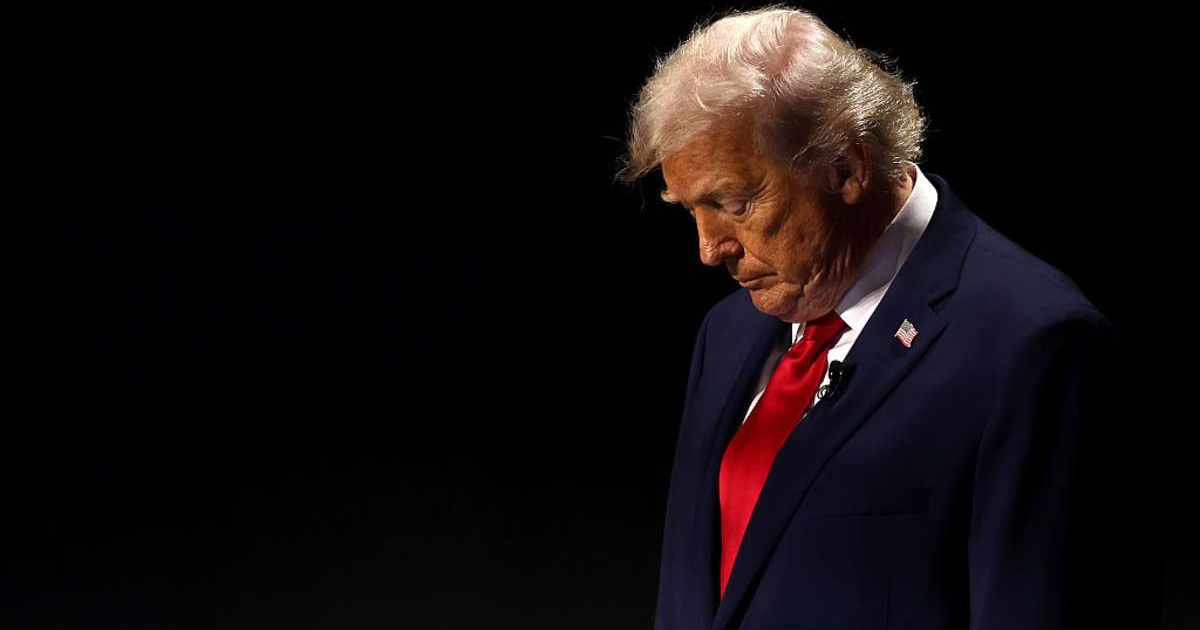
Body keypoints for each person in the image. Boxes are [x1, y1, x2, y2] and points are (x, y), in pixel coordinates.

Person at [615, 6, 1163, 630]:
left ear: (846, 168)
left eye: (735, 203)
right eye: (689, 210)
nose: (709, 249)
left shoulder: (1039, 349)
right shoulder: (728, 331)